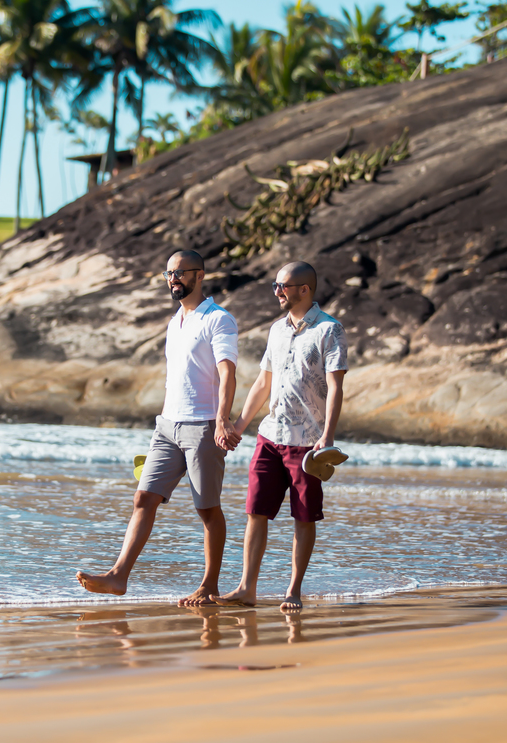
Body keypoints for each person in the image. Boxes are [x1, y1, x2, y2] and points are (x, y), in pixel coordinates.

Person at [77, 250, 241, 606]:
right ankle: (118, 576)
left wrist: (223, 419)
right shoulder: (174, 321)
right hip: (167, 426)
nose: (173, 279)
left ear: (200, 275)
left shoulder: (219, 320)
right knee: (143, 497)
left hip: (203, 427)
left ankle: (209, 585)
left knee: (207, 509)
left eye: (180, 273)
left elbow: (228, 373)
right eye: (168, 274)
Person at [215, 261, 347, 611]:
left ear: (304, 289)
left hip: (308, 443)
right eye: (275, 285)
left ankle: (293, 590)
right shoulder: (276, 330)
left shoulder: (330, 330)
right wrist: (239, 427)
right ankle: (246, 588)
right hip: (270, 437)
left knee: (303, 517)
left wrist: (328, 436)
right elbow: (263, 382)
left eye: (282, 286)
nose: (276, 292)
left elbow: (335, 387)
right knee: (255, 511)